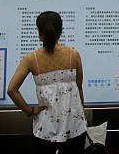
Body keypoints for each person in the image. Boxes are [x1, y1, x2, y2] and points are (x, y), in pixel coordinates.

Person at [7, 11, 87, 153]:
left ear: (40, 34)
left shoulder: (31, 59)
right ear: (60, 32)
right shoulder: (73, 55)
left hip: (45, 129)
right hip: (74, 126)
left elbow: (12, 90)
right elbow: (79, 88)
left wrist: (30, 111)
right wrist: (82, 115)